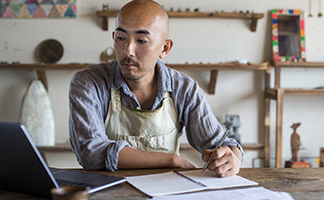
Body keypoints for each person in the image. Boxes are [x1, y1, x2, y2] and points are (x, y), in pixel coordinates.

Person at [68, 0, 243, 178]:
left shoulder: (184, 88)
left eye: (141, 40)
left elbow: (221, 143)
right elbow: (90, 152)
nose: (128, 50)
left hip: (167, 191)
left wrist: (232, 158)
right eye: (120, 38)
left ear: (165, 48)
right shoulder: (88, 83)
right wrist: (171, 160)